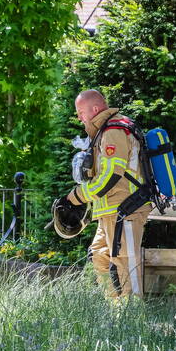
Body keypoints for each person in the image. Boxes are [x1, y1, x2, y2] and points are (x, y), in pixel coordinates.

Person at [66, 90, 152, 298]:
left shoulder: (114, 130)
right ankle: (115, 312)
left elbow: (111, 176)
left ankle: (133, 317)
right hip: (111, 211)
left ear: (95, 109)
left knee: (126, 262)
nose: (79, 117)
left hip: (127, 209)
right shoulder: (102, 132)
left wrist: (77, 197)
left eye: (80, 112)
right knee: (100, 256)